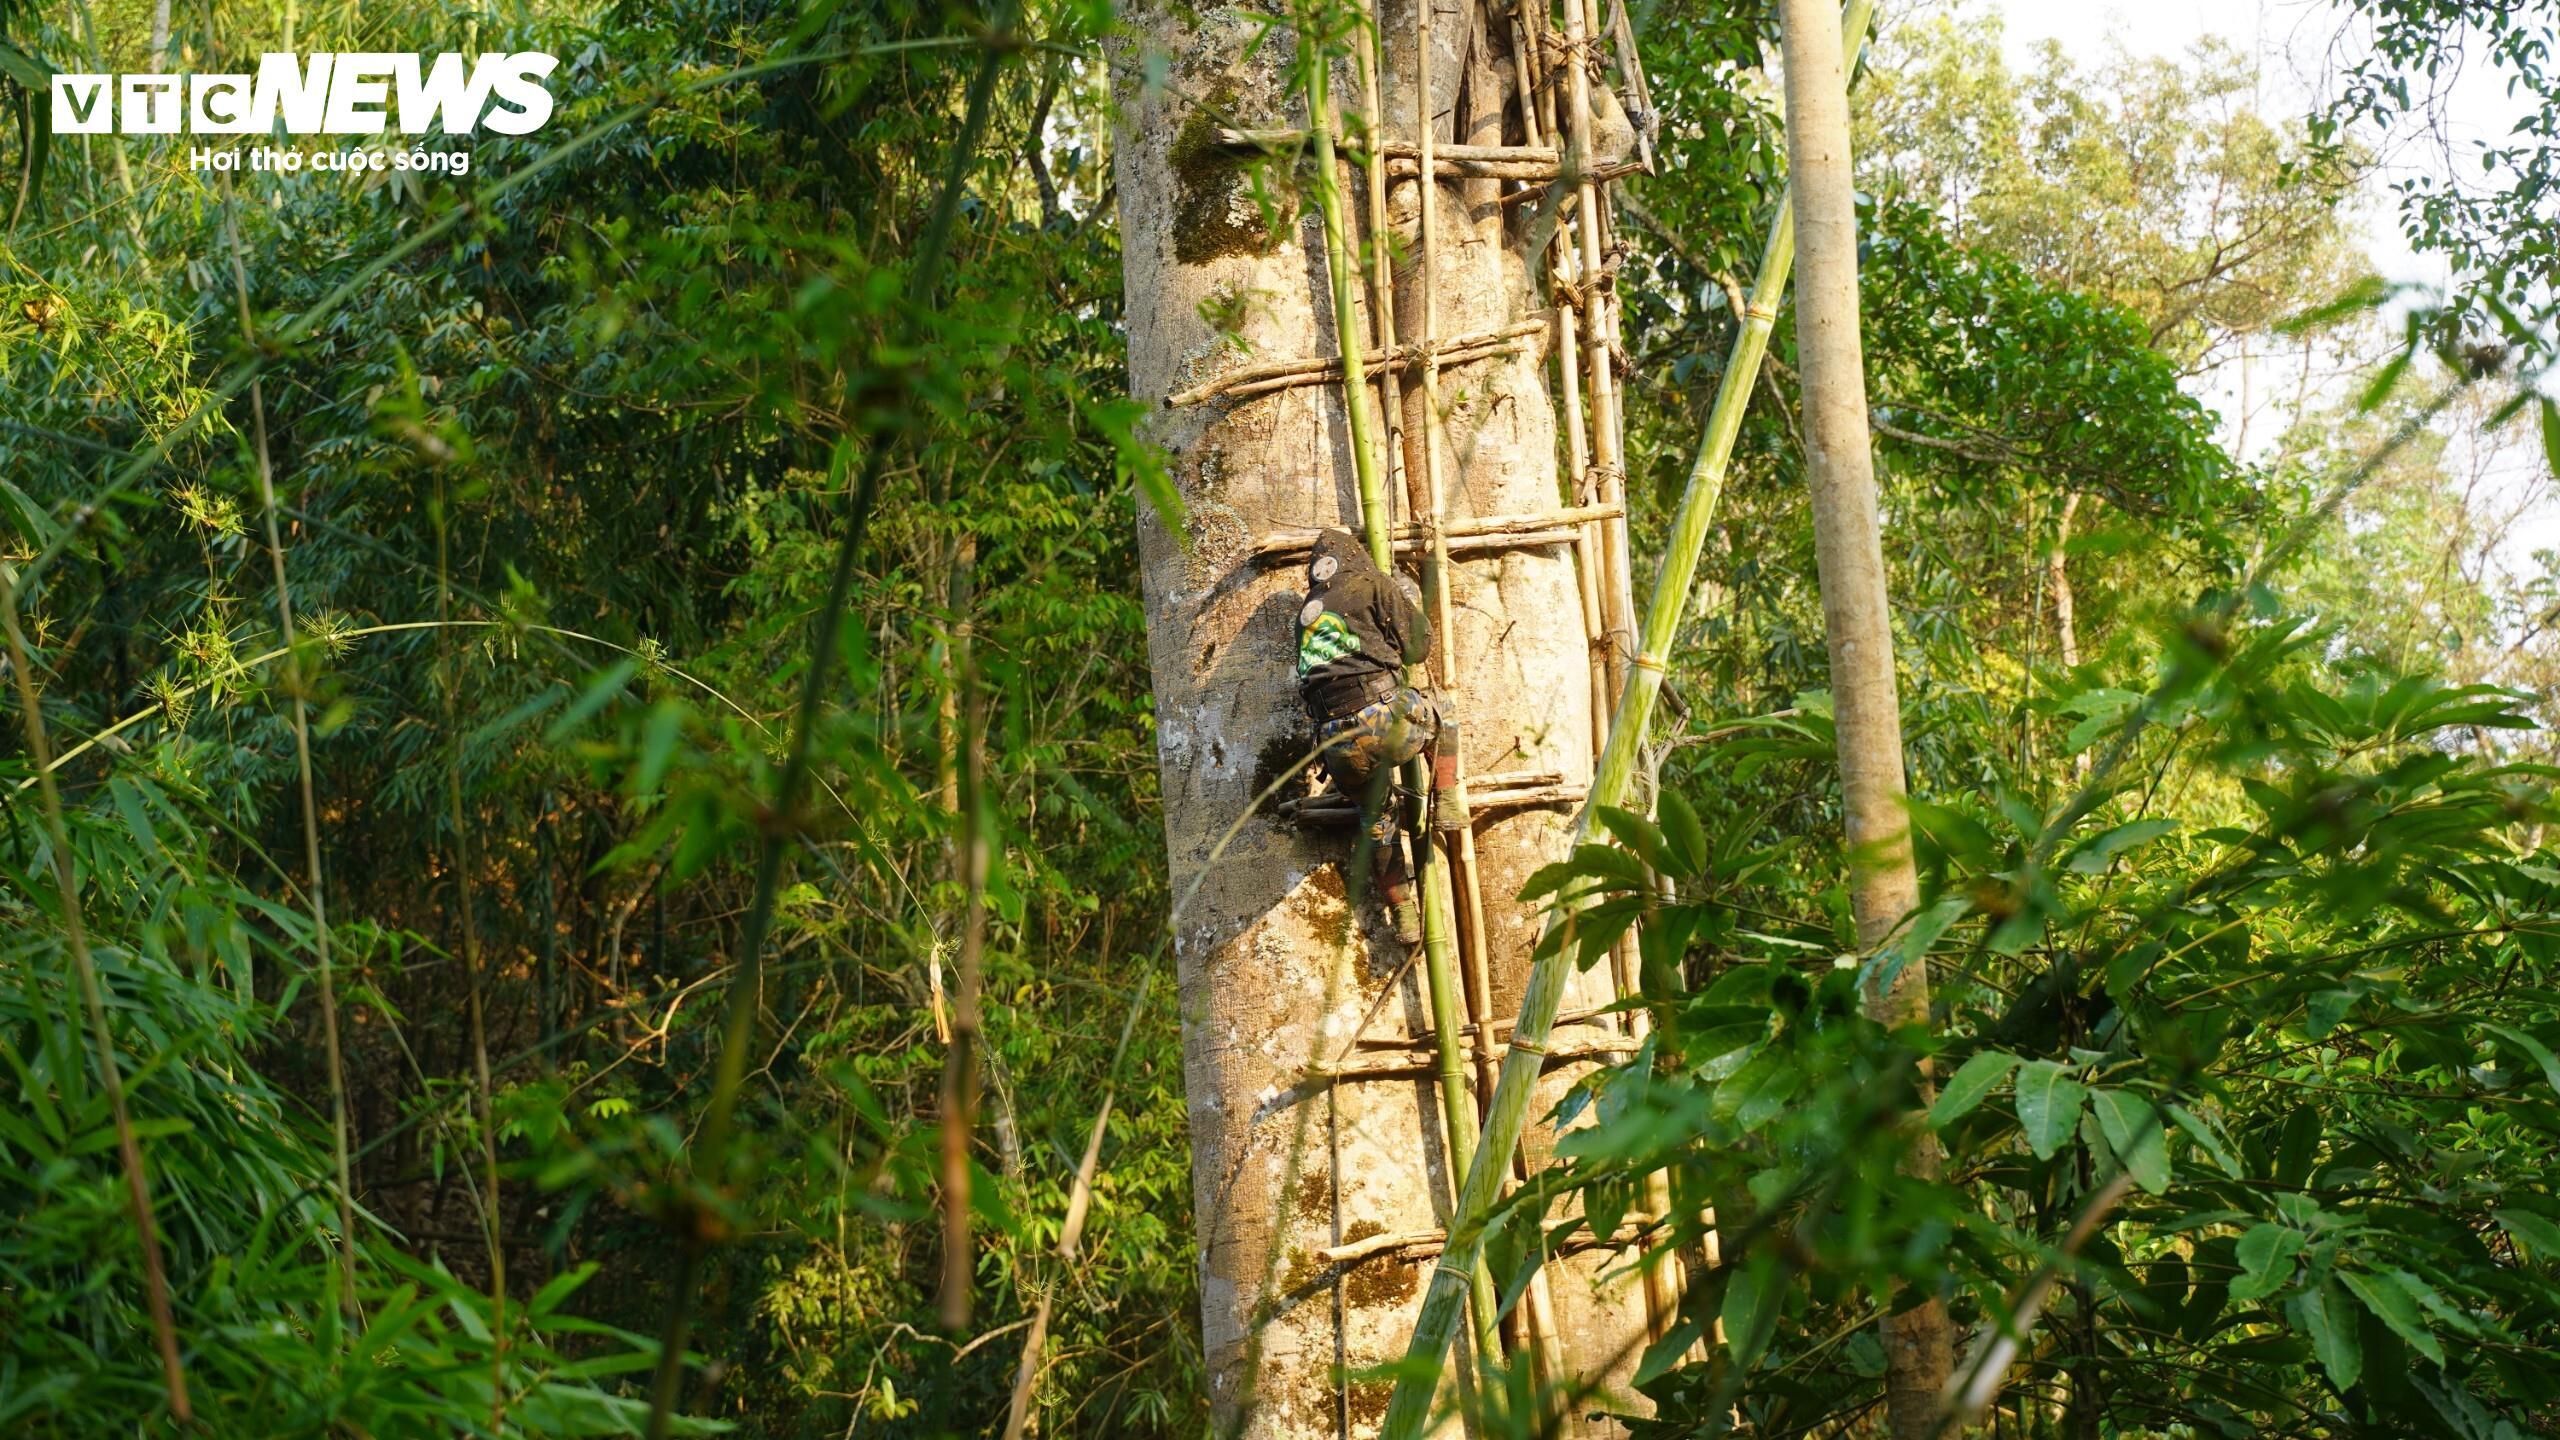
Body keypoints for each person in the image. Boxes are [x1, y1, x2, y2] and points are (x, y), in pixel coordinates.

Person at [1295, 529, 1454, 946]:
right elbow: (1419, 647)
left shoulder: (1306, 614)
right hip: (1384, 719)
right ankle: (1449, 798)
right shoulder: (1369, 583)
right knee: (1444, 712)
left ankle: (1402, 910)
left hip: (1336, 745)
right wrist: (1403, 591)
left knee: (1376, 822)